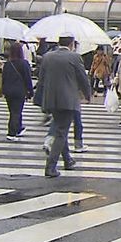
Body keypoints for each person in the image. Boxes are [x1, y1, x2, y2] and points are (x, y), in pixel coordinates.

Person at [38, 34, 91, 177]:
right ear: (72, 43)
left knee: (61, 128)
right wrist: (88, 94)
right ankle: (51, 166)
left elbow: (41, 78)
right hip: (68, 100)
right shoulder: (75, 57)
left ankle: (68, 160)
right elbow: (82, 78)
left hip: (51, 99)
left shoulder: (47, 57)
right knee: (61, 132)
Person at [1, 41, 34, 141]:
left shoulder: (7, 64)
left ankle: (18, 128)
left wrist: (3, 90)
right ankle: (11, 133)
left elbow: (4, 78)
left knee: (13, 111)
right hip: (19, 91)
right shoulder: (24, 64)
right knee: (16, 112)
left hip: (8, 91)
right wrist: (30, 91)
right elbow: (28, 78)